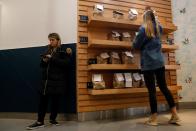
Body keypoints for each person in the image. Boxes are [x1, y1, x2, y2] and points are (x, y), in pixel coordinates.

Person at [132, 10, 180, 126]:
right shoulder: (160, 28)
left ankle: (153, 119)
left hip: (148, 64)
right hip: (159, 62)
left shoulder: (143, 29)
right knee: (164, 88)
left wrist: (137, 41)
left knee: (152, 91)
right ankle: (174, 114)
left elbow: (136, 45)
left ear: (145, 19)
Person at [27, 33, 72, 130]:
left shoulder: (63, 51)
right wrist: (44, 60)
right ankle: (40, 121)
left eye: (52, 40)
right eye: (50, 40)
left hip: (57, 82)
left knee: (55, 102)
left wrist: (52, 59)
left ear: (58, 40)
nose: (51, 42)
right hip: (46, 82)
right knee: (42, 102)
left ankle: (53, 119)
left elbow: (67, 64)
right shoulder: (47, 50)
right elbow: (42, 66)